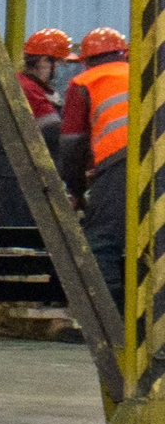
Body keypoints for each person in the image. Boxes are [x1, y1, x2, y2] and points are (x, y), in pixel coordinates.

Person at [63, 27, 130, 298]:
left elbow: (72, 146)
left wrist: (76, 190)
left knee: (100, 241)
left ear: (86, 60)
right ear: (123, 54)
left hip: (120, 160)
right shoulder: (142, 74)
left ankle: (110, 315)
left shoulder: (83, 83)